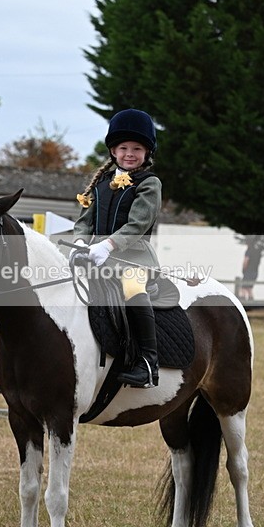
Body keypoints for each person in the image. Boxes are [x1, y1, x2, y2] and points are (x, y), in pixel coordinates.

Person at [72, 108, 161, 388]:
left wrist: (109, 245)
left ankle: (148, 363)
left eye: (137, 148)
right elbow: (84, 222)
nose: (129, 153)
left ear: (147, 153)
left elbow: (138, 224)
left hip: (134, 260)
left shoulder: (149, 184)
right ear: (113, 151)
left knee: (132, 290)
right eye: (123, 148)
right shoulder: (100, 185)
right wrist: (78, 243)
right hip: (96, 259)